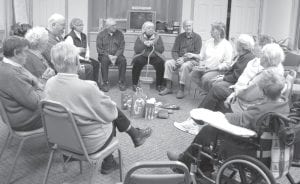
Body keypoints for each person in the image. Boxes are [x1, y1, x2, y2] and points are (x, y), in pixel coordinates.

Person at [44, 42, 152, 174]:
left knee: (101, 109)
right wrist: (97, 94)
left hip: (61, 140)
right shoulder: (87, 88)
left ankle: (134, 135)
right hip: (87, 144)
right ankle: (109, 162)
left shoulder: (49, 83)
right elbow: (111, 114)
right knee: (110, 114)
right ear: (77, 61)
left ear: (54, 63)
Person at [167, 69, 290, 173]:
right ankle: (201, 165)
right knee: (211, 131)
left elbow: (240, 119)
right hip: (268, 149)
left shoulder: (261, 109)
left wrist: (223, 116)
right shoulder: (284, 105)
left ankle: (184, 163)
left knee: (208, 130)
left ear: (263, 91)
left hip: (250, 148)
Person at [197, 34, 255, 111]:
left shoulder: (247, 58)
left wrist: (223, 78)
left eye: (237, 43)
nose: (235, 45)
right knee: (213, 81)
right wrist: (222, 77)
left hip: (236, 84)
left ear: (242, 46)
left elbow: (237, 76)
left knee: (216, 84)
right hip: (232, 78)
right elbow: (233, 69)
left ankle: (207, 110)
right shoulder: (241, 55)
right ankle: (212, 108)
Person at [0, 36, 44, 131]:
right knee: (64, 110)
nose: (27, 55)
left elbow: (33, 82)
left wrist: (41, 81)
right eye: (25, 52)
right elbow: (36, 103)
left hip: (16, 113)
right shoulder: (12, 75)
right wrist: (39, 87)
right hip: (24, 120)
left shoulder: (7, 66)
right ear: (16, 53)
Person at [226, 43, 285, 113]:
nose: (260, 56)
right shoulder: (276, 68)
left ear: (266, 58)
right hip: (262, 104)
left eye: (262, 54)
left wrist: (235, 93)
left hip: (250, 109)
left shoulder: (266, 76)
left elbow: (247, 96)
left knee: (223, 102)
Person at [42, 13, 93, 80]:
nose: (64, 28)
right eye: (63, 25)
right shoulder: (47, 39)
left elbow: (67, 48)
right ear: (53, 25)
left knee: (90, 65)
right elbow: (57, 59)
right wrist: (76, 51)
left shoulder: (58, 36)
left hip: (66, 64)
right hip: (60, 69)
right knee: (88, 68)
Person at [159, 20, 202, 99]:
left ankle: (181, 89)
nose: (188, 27)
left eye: (189, 26)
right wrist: (177, 60)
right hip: (179, 59)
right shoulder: (179, 37)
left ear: (192, 26)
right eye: (186, 26)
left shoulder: (197, 38)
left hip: (192, 60)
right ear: (183, 27)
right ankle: (168, 87)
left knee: (184, 66)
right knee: (168, 63)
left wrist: (183, 60)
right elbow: (174, 51)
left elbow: (197, 53)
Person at [190, 22, 233, 92]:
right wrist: (192, 55)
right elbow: (202, 56)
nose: (210, 31)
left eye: (213, 30)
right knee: (193, 75)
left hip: (218, 70)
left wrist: (213, 68)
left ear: (219, 32)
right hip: (206, 68)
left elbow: (227, 64)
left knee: (205, 78)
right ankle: (207, 90)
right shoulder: (208, 42)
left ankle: (209, 92)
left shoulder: (227, 45)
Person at [132, 21, 165, 92]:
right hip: (142, 55)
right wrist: (144, 44)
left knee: (160, 63)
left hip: (154, 55)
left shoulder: (158, 37)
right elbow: (136, 49)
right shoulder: (140, 37)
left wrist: (153, 44)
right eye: (148, 28)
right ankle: (134, 84)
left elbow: (161, 49)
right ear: (144, 29)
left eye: (152, 28)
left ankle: (159, 84)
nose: (151, 29)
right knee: (137, 62)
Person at [65, 18, 100, 84]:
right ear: (74, 26)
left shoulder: (84, 35)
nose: (82, 27)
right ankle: (88, 84)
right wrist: (83, 59)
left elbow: (87, 48)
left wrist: (87, 57)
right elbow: (70, 52)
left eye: (82, 25)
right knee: (90, 66)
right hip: (76, 59)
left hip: (84, 58)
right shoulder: (69, 37)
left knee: (96, 64)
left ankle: (95, 83)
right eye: (79, 25)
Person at [96, 18, 127, 92]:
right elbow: (99, 49)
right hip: (105, 55)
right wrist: (109, 56)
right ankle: (105, 82)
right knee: (104, 61)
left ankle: (121, 81)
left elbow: (121, 47)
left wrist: (116, 56)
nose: (115, 27)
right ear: (107, 26)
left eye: (115, 25)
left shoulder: (120, 34)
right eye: (113, 26)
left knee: (123, 61)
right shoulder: (101, 35)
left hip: (117, 55)